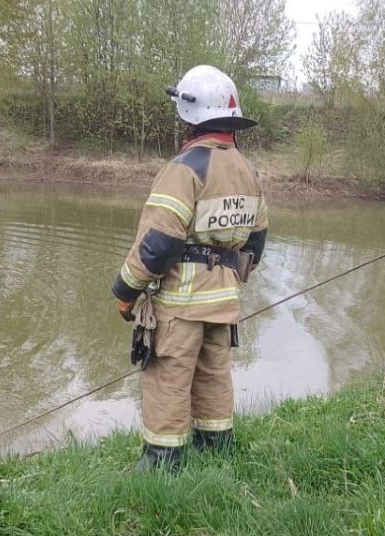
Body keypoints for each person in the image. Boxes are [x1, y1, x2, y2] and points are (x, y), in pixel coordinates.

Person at [111, 65, 269, 471]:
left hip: (181, 304)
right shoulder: (249, 171)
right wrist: (226, 275)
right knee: (214, 375)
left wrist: (125, 292)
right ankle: (217, 452)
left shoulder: (184, 169)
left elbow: (157, 244)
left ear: (189, 115)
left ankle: (161, 465)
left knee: (168, 377)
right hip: (224, 302)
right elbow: (257, 242)